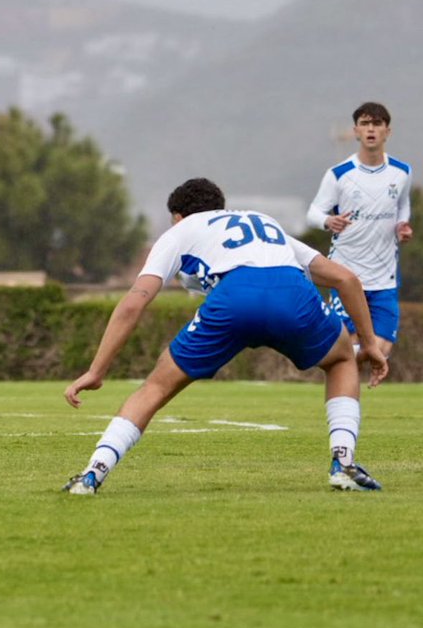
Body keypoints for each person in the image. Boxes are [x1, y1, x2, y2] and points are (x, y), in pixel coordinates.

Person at [62, 177, 388, 495]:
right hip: (290, 292)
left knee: (156, 386)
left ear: (177, 217)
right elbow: (346, 279)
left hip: (234, 299)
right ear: (221, 208)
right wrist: (370, 344)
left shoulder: (181, 231)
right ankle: (343, 464)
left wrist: (96, 371)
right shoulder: (262, 222)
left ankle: (93, 472)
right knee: (343, 358)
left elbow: (134, 302)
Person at [306, 101, 412, 362]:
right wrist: (328, 222)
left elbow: (403, 206)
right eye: (365, 124)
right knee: (350, 344)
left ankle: (327, 363)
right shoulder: (339, 174)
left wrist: (403, 225)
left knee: (380, 348)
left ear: (388, 131)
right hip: (347, 275)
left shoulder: (402, 172)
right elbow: (313, 214)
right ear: (356, 131)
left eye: (377, 123)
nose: (371, 129)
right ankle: (341, 393)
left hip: (384, 278)